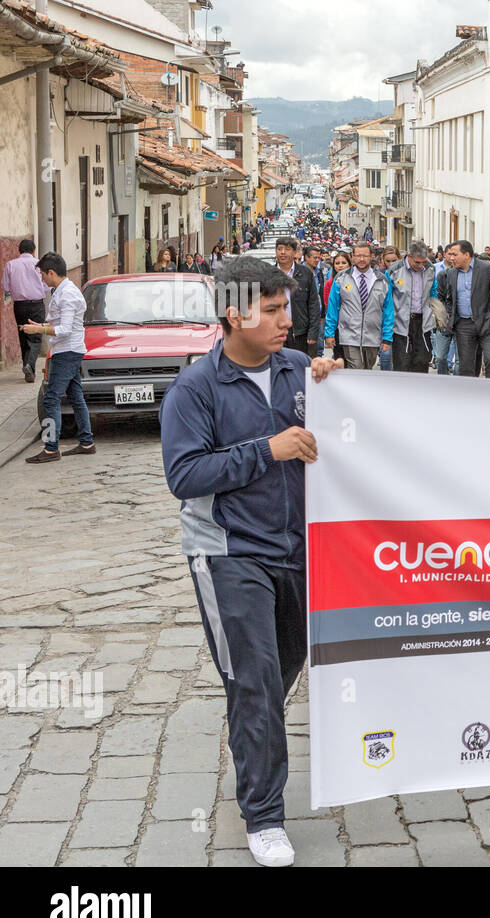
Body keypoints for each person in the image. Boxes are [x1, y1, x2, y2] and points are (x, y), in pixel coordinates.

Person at [160, 255, 343, 867]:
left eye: (286, 306)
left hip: (300, 551)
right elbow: (185, 476)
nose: (285, 320)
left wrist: (340, 388)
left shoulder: (298, 371)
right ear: (233, 313)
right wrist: (268, 449)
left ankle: (251, 731)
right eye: (271, 310)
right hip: (229, 554)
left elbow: (346, 435)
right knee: (256, 679)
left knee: (280, 669)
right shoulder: (195, 389)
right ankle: (264, 817)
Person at [22, 252, 95, 462]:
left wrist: (39, 331)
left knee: (51, 398)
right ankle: (86, 442)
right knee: (75, 397)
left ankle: (51, 448)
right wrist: (41, 326)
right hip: (68, 349)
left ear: (51, 272)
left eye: (43, 275)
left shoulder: (68, 294)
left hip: (67, 350)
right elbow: (62, 324)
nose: (42, 279)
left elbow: (64, 330)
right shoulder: (63, 291)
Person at [437, 239, 490, 378]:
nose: (451, 258)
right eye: (450, 255)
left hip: (487, 322)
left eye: (455, 254)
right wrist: (449, 315)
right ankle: (468, 395)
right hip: (464, 324)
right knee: (466, 365)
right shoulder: (450, 273)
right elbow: (449, 298)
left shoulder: (486, 269)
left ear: (467, 255)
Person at [323, 239, 393, 370]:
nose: (361, 259)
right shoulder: (341, 278)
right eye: (358, 256)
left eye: (365, 256)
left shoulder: (381, 280)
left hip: (372, 335)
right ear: (353, 257)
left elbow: (388, 310)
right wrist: (329, 333)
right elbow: (333, 307)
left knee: (367, 369)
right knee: (356, 367)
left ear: (371, 256)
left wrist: (387, 337)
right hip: (349, 334)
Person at [3, 239, 48, 382]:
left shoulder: (10, 264)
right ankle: (29, 365)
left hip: (19, 306)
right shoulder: (40, 264)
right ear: (33, 250)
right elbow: (46, 286)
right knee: (35, 335)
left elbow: (5, 286)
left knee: (23, 334)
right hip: (36, 304)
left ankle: (28, 369)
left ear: (19, 251)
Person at [388, 240, 434, 373]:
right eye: (417, 262)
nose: (420, 266)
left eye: (423, 262)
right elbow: (387, 300)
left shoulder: (430, 268)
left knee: (422, 361)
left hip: (423, 322)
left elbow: (433, 292)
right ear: (408, 256)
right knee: (402, 362)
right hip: (401, 322)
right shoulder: (394, 270)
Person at [274, 238, 321, 358]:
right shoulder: (269, 274)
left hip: (300, 333)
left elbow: (313, 304)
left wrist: (313, 333)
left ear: (295, 253)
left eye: (287, 249)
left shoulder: (305, 273)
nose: (282, 252)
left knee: (299, 368)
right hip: (275, 331)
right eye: (279, 249)